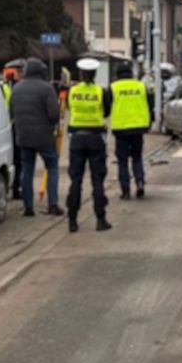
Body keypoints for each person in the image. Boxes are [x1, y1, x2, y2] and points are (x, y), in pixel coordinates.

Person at [10, 58, 61, 217]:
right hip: (44, 137)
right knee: (52, 166)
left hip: (23, 136)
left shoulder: (16, 88)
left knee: (27, 170)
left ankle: (28, 207)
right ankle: (52, 205)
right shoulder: (47, 89)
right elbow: (54, 114)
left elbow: (11, 112)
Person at [66, 58, 112, 233]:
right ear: (94, 74)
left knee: (76, 180)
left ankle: (72, 220)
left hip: (77, 138)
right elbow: (107, 111)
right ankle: (101, 220)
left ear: (80, 73)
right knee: (97, 180)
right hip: (95, 138)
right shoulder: (101, 91)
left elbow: (70, 108)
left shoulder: (73, 91)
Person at [110, 63, 153, 200]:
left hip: (121, 129)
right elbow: (150, 104)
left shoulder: (113, 87)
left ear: (117, 74)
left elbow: (106, 107)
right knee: (137, 157)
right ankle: (140, 182)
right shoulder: (140, 86)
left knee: (122, 160)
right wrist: (149, 122)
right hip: (138, 128)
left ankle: (125, 190)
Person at [2, 63, 22, 197]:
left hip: (3, 128)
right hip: (11, 127)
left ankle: (12, 188)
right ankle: (15, 188)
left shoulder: (2, 87)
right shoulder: (12, 89)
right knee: (17, 160)